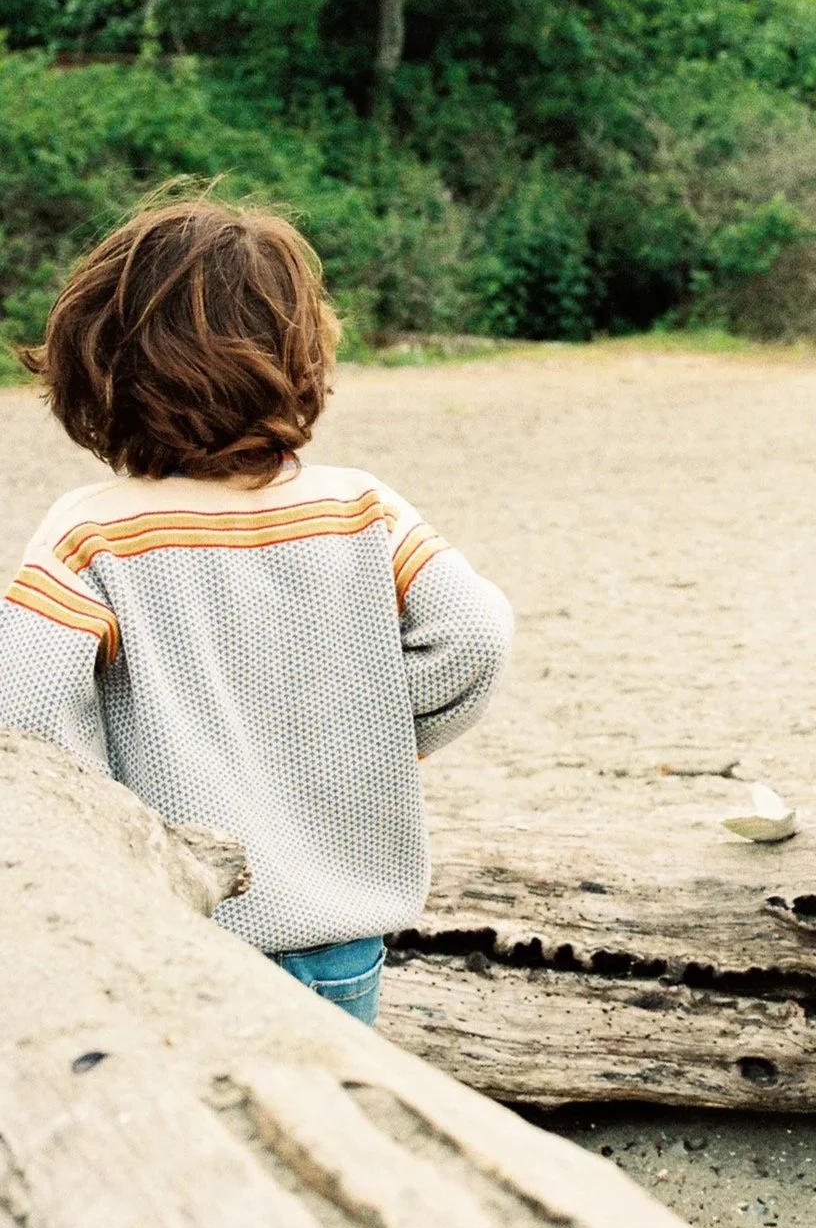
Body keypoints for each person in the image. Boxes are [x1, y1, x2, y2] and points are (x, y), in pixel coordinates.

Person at [0, 196, 512, 1026]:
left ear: (99, 365)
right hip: (349, 942)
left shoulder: (90, 532)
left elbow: (25, 722)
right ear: (302, 357)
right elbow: (476, 638)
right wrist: (371, 736)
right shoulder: (363, 509)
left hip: (184, 935)